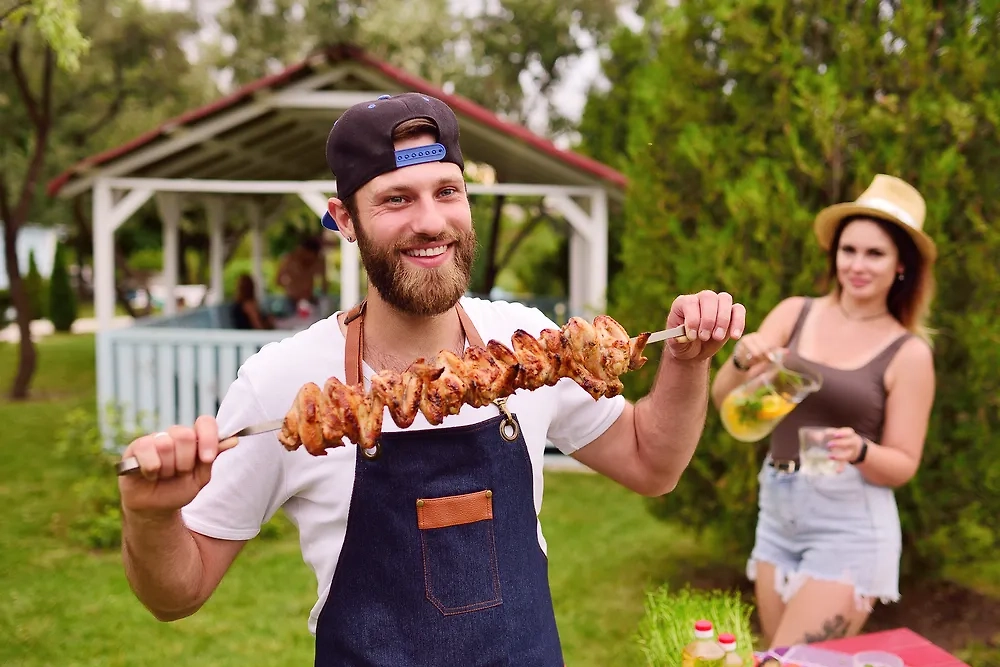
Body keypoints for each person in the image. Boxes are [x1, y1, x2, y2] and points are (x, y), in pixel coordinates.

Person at [116, 92, 746, 666]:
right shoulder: (284, 383)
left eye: (448, 191)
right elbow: (180, 592)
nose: (431, 221)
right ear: (343, 218)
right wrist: (151, 519)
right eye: (396, 198)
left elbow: (650, 463)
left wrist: (687, 364)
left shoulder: (526, 343)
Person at [710, 174, 937, 649]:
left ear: (901, 266)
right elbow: (727, 403)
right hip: (777, 510)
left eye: (875, 253)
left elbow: (903, 464)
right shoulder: (796, 313)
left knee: (786, 664)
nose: (857, 264)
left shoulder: (908, 352)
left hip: (849, 524)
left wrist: (860, 450)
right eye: (848, 250)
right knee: (777, 655)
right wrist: (740, 359)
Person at [276, 235, 327, 311]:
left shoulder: (318, 261)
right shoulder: (289, 260)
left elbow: (324, 284)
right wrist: (293, 287)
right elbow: (278, 281)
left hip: (310, 300)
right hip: (291, 301)